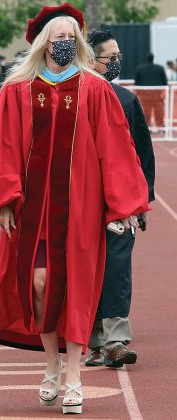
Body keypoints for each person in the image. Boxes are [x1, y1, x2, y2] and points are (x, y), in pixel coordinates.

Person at [0, 3, 150, 415]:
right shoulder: (18, 91)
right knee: (38, 283)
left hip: (81, 207)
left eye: (73, 38)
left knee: (76, 288)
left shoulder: (95, 89)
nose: (67, 44)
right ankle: (49, 362)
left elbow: (117, 149)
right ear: (44, 43)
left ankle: (73, 374)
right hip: (33, 208)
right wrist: (2, 199)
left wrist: (123, 204)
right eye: (59, 38)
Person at [86, 30, 155, 368]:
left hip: (120, 204)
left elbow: (144, 152)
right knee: (86, 270)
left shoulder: (126, 99)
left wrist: (142, 201)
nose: (115, 63)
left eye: (118, 58)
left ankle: (115, 341)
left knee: (117, 268)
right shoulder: (75, 98)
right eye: (109, 58)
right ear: (89, 58)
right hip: (82, 200)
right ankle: (94, 340)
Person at [134, 52, 168, 130]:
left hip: (144, 94)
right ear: (153, 58)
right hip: (157, 93)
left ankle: (147, 127)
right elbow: (165, 82)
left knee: (146, 112)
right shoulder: (160, 68)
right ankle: (160, 127)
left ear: (147, 58)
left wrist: (139, 92)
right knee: (159, 111)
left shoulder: (140, 68)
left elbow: (136, 82)